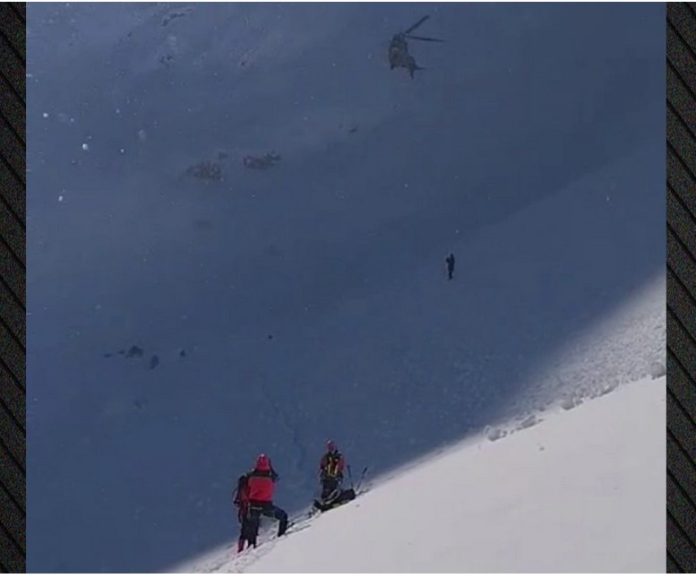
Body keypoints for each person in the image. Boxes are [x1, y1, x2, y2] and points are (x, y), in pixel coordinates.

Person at [233, 454, 288, 552]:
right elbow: (275, 477)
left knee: (250, 528)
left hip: (253, 505)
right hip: (267, 505)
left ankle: (247, 549)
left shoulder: (251, 477)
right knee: (283, 516)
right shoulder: (270, 477)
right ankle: (281, 536)